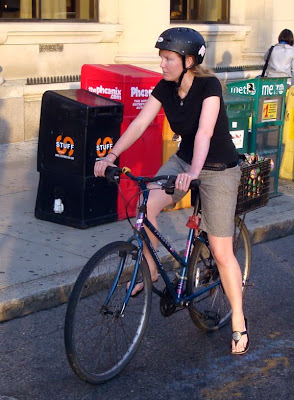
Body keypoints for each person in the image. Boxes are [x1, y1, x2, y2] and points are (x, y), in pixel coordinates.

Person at [94, 27, 249, 355]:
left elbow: (205, 132)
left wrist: (195, 173)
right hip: (184, 162)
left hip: (218, 168)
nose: (161, 64)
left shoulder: (209, 86)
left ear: (189, 60)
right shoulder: (165, 87)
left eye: (168, 58)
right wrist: (110, 155)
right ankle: (151, 268)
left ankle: (238, 320)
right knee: (145, 203)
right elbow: (138, 124)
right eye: (161, 58)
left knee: (221, 252)